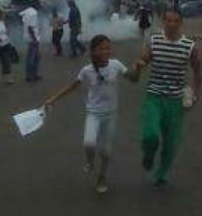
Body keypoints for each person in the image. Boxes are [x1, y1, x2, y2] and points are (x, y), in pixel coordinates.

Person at [44, 35, 142, 194]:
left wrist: (137, 68)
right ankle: (90, 161)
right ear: (93, 51)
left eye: (108, 48)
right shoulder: (87, 70)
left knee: (106, 151)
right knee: (89, 143)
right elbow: (72, 86)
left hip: (111, 114)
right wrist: (53, 99)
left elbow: (134, 79)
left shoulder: (116, 65)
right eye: (102, 48)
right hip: (94, 113)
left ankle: (102, 177)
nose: (106, 51)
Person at [136, 9, 202, 188]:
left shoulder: (190, 46)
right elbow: (144, 58)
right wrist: (141, 62)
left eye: (175, 21)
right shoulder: (154, 40)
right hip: (154, 97)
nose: (171, 24)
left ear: (180, 23)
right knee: (150, 135)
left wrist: (195, 93)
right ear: (163, 22)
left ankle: (161, 174)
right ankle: (148, 154)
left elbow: (198, 71)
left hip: (175, 101)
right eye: (168, 20)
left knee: (171, 143)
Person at [21, 5, 42, 82]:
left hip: (31, 39)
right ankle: (29, 76)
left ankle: (34, 74)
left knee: (36, 58)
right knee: (31, 58)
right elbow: (30, 28)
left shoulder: (27, 11)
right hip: (32, 40)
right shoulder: (33, 13)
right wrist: (35, 39)